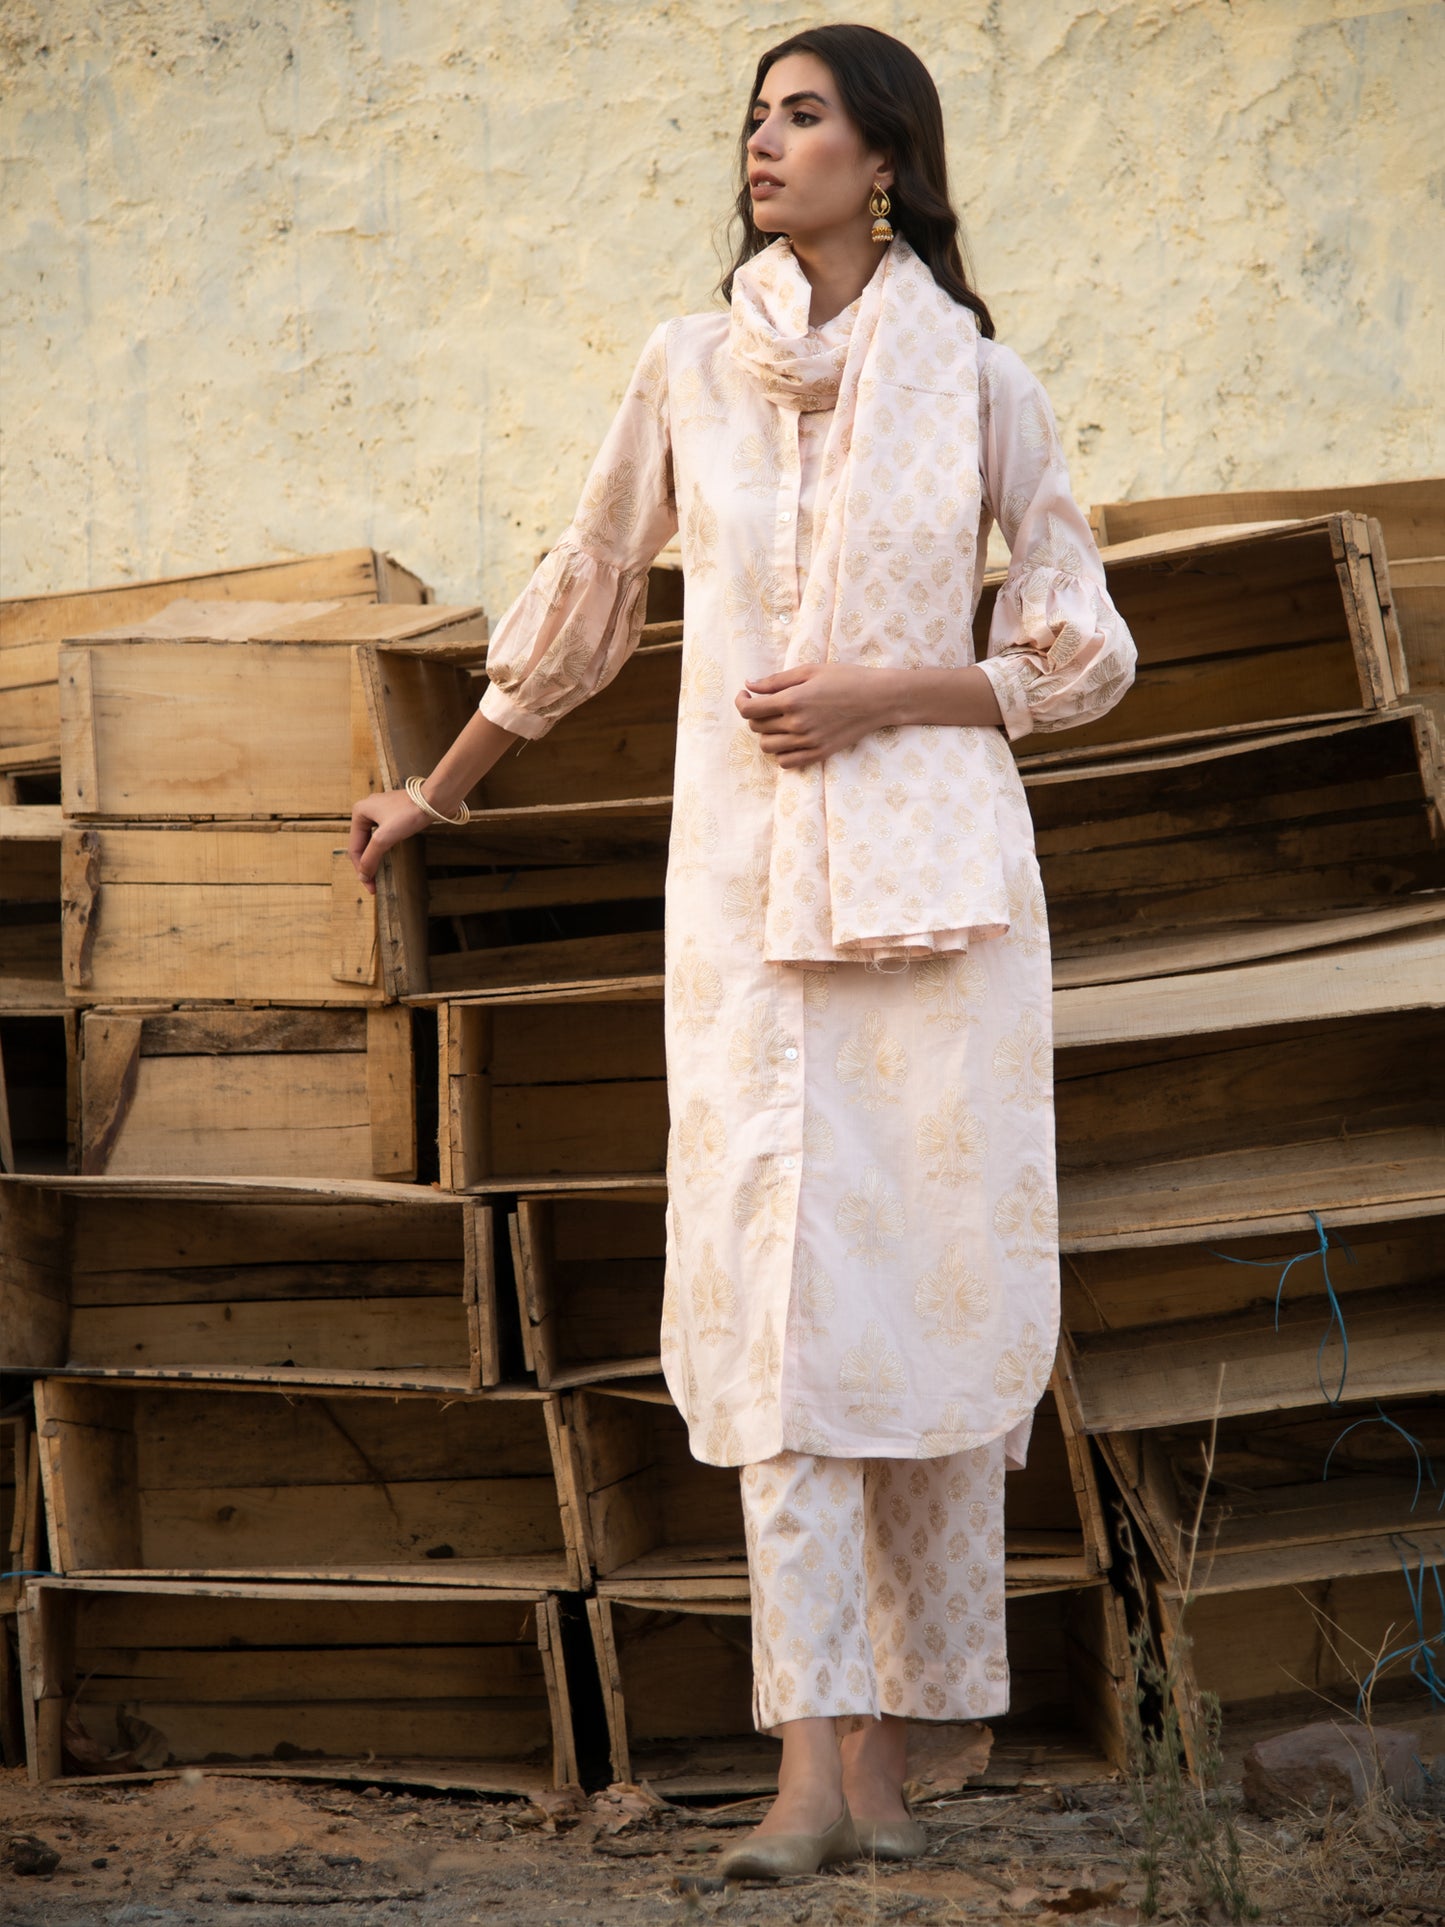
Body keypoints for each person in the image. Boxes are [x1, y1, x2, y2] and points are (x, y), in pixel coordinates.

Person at [350, 22, 1136, 1883]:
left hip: (944, 910)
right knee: (774, 1294)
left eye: (800, 116)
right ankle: (804, 1770)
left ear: (886, 159)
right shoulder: (688, 366)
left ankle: (888, 1759)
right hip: (743, 905)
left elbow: (1080, 650)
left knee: (924, 1294)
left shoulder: (983, 383)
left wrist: (891, 690)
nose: (762, 146)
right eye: (753, 121)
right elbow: (589, 586)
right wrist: (439, 793)